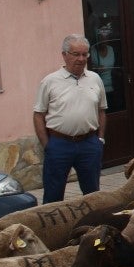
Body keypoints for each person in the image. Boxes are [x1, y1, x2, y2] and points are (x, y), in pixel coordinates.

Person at [33, 34, 107, 203]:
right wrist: (48, 145)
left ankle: (92, 227)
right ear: (64, 55)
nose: (81, 59)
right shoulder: (50, 81)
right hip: (59, 144)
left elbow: (102, 110)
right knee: (53, 196)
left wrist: (100, 139)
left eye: (85, 54)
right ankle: (53, 229)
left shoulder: (95, 79)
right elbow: (38, 114)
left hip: (89, 144)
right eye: (76, 54)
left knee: (93, 195)